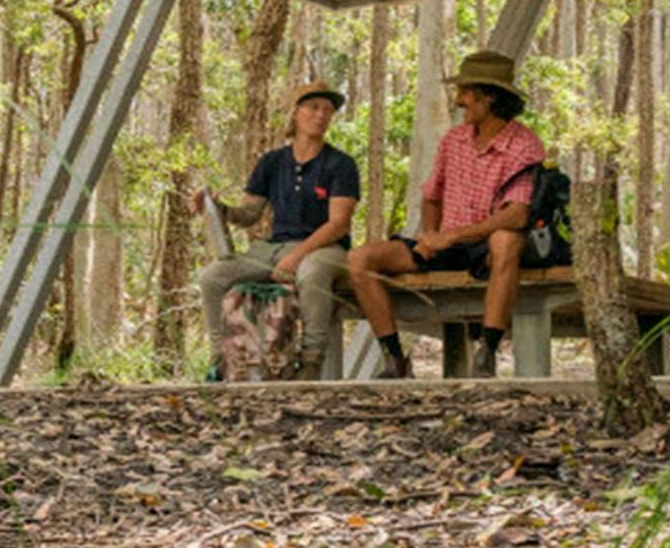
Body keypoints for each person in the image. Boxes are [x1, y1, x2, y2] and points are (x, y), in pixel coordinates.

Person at [347, 49, 546, 380]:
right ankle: (395, 359)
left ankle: (487, 352)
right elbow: (431, 196)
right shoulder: (454, 140)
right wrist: (429, 236)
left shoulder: (524, 144)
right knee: (360, 259)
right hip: (447, 244)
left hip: (486, 249)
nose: (459, 100)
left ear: (489, 98)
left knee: (506, 241)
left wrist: (452, 236)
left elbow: (517, 215)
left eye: (466, 92)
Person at [191, 80, 360, 380]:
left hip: (325, 249)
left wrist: (296, 256)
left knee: (312, 272)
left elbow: (338, 223)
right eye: (314, 108)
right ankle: (219, 358)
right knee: (212, 277)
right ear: (296, 113)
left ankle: (311, 362)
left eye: (328, 110)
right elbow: (249, 214)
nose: (321, 115)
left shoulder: (340, 164)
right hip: (272, 248)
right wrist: (219, 209)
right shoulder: (272, 162)